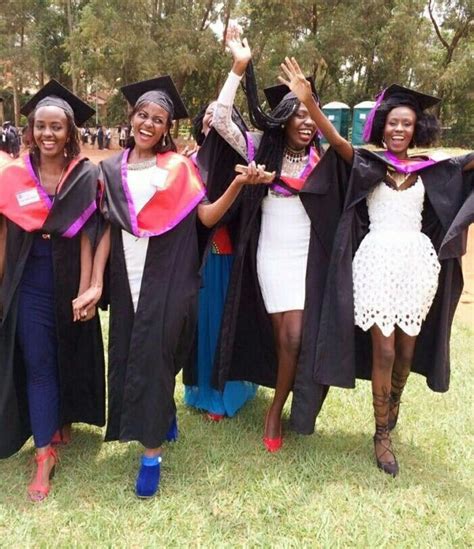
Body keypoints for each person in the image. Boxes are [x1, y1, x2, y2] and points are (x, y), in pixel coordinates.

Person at [72, 75, 273, 499]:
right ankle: (158, 427)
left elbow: (204, 218)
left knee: (160, 354)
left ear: (167, 127)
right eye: (143, 115)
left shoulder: (179, 168)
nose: (148, 123)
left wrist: (237, 184)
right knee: (133, 355)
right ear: (132, 118)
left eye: (158, 119)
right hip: (127, 278)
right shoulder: (109, 169)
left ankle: (151, 456)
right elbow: (107, 229)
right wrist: (93, 284)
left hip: (171, 275)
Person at [279, 57, 474, 476]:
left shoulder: (432, 167)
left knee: (405, 351)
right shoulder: (370, 163)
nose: (399, 130)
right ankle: (381, 432)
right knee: (383, 347)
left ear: (416, 127)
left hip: (414, 266)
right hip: (375, 263)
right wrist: (308, 101)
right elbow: (333, 138)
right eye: (392, 123)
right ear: (381, 127)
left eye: (406, 123)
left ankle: (395, 401)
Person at [211, 27, 329, 452]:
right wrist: (238, 68)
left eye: (309, 115)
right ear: (282, 118)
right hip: (270, 255)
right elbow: (222, 120)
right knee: (281, 335)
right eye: (296, 113)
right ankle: (280, 395)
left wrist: (314, 104)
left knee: (295, 336)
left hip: (306, 257)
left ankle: (276, 409)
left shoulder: (324, 156)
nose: (305, 122)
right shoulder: (261, 149)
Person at [0, 79, 105, 501]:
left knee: (69, 351)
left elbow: (89, 235)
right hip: (29, 282)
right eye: (40, 126)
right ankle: (43, 454)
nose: (47, 134)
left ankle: (61, 419)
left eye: (56, 127)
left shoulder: (85, 176)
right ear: (30, 131)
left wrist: (86, 289)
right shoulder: (13, 177)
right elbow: (4, 237)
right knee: (39, 360)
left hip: (69, 279)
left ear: (69, 133)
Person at [183, 102, 257, 421]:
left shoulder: (243, 164)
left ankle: (224, 393)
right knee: (200, 325)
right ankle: (199, 390)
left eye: (222, 119)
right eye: (209, 119)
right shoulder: (187, 164)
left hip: (228, 256)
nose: (214, 124)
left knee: (224, 323)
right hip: (193, 257)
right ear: (202, 126)